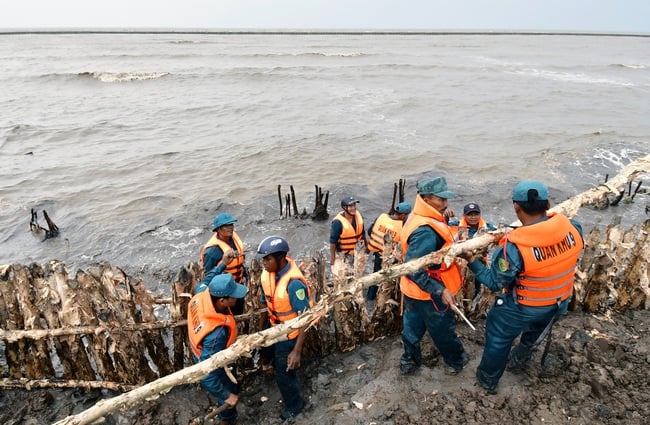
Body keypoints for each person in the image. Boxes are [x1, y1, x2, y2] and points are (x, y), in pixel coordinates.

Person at [463, 181, 584, 394]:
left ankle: (488, 381)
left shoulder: (513, 248)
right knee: (534, 334)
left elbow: (493, 282)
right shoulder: (573, 229)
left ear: (516, 207)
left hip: (524, 307)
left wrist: (472, 260)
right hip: (558, 302)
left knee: (499, 338)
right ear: (547, 204)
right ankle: (519, 361)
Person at [399, 176, 469, 376]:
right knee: (442, 331)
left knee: (411, 329)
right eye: (441, 199)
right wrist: (439, 290)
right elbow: (414, 268)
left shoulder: (416, 216)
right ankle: (457, 360)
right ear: (427, 198)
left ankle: (409, 361)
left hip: (413, 291)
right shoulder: (425, 232)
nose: (445, 204)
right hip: (431, 292)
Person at [257, 236, 313, 421]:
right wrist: (261, 333)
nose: (263, 263)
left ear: (281, 259)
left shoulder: (293, 284)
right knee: (277, 364)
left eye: (267, 259)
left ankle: (294, 405)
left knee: (284, 373)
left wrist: (296, 350)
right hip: (274, 328)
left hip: (289, 335)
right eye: (263, 258)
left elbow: (305, 317)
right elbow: (265, 304)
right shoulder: (267, 275)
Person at [187, 273, 248, 425]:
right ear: (222, 301)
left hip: (197, 348)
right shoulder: (217, 333)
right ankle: (227, 419)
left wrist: (221, 266)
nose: (237, 298)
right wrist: (226, 395)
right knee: (229, 387)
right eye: (233, 296)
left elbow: (204, 281)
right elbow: (205, 371)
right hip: (214, 360)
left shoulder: (202, 294)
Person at [200, 212, 246, 315]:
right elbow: (210, 275)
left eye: (231, 224)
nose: (231, 228)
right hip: (225, 293)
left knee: (239, 311)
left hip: (237, 286)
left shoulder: (233, 239)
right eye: (226, 226)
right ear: (219, 229)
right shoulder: (212, 252)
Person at [366, 201, 412, 300]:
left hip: (378, 254)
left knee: (375, 277)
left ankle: (370, 297)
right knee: (387, 282)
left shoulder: (382, 217)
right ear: (403, 215)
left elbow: (370, 231)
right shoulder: (402, 226)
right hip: (391, 260)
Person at [329, 196, 366, 267]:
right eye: (350, 206)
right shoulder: (337, 223)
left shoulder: (358, 216)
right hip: (344, 253)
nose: (354, 208)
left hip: (357, 250)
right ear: (344, 208)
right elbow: (332, 242)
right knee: (345, 273)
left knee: (359, 270)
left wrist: (367, 248)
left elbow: (363, 233)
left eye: (354, 205)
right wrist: (332, 259)